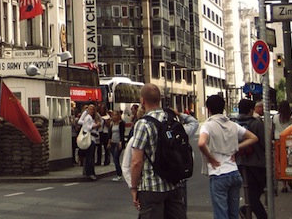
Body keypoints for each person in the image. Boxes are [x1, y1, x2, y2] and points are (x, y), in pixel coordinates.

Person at [129, 84, 185, 218]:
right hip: (173, 183)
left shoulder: (143, 124)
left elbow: (137, 161)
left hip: (151, 187)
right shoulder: (171, 119)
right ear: (159, 99)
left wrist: (134, 187)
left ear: (142, 101)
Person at [198, 94, 258, 219]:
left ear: (208, 109)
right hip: (234, 173)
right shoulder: (232, 124)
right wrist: (237, 148)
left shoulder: (207, 125)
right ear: (223, 108)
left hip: (218, 174)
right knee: (233, 214)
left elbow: (201, 143)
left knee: (221, 214)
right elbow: (253, 138)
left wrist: (209, 157)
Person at [234, 98, 267, 219]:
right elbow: (264, 144)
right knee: (255, 193)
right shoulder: (257, 123)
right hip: (257, 163)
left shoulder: (234, 124)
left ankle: (245, 210)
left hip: (240, 162)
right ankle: (260, 215)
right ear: (250, 110)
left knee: (251, 192)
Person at [273, 100, 292, 193]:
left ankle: (284, 185)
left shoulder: (275, 118)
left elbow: (272, 130)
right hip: (289, 142)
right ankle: (290, 179)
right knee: (289, 162)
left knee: (280, 163)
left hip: (278, 141)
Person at [79, 104, 101, 180]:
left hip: (93, 138)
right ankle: (89, 172)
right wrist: (96, 125)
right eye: (90, 110)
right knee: (89, 156)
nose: (92, 111)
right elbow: (88, 128)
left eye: (93, 110)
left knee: (91, 156)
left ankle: (91, 172)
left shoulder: (92, 118)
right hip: (90, 138)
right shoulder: (88, 118)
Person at [109, 110, 126, 181]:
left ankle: (119, 174)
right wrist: (109, 142)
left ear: (119, 116)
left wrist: (121, 142)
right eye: (113, 115)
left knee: (116, 158)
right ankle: (118, 173)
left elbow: (122, 133)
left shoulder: (121, 123)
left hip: (118, 143)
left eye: (116, 115)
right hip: (112, 142)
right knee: (114, 158)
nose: (114, 116)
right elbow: (110, 133)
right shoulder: (112, 123)